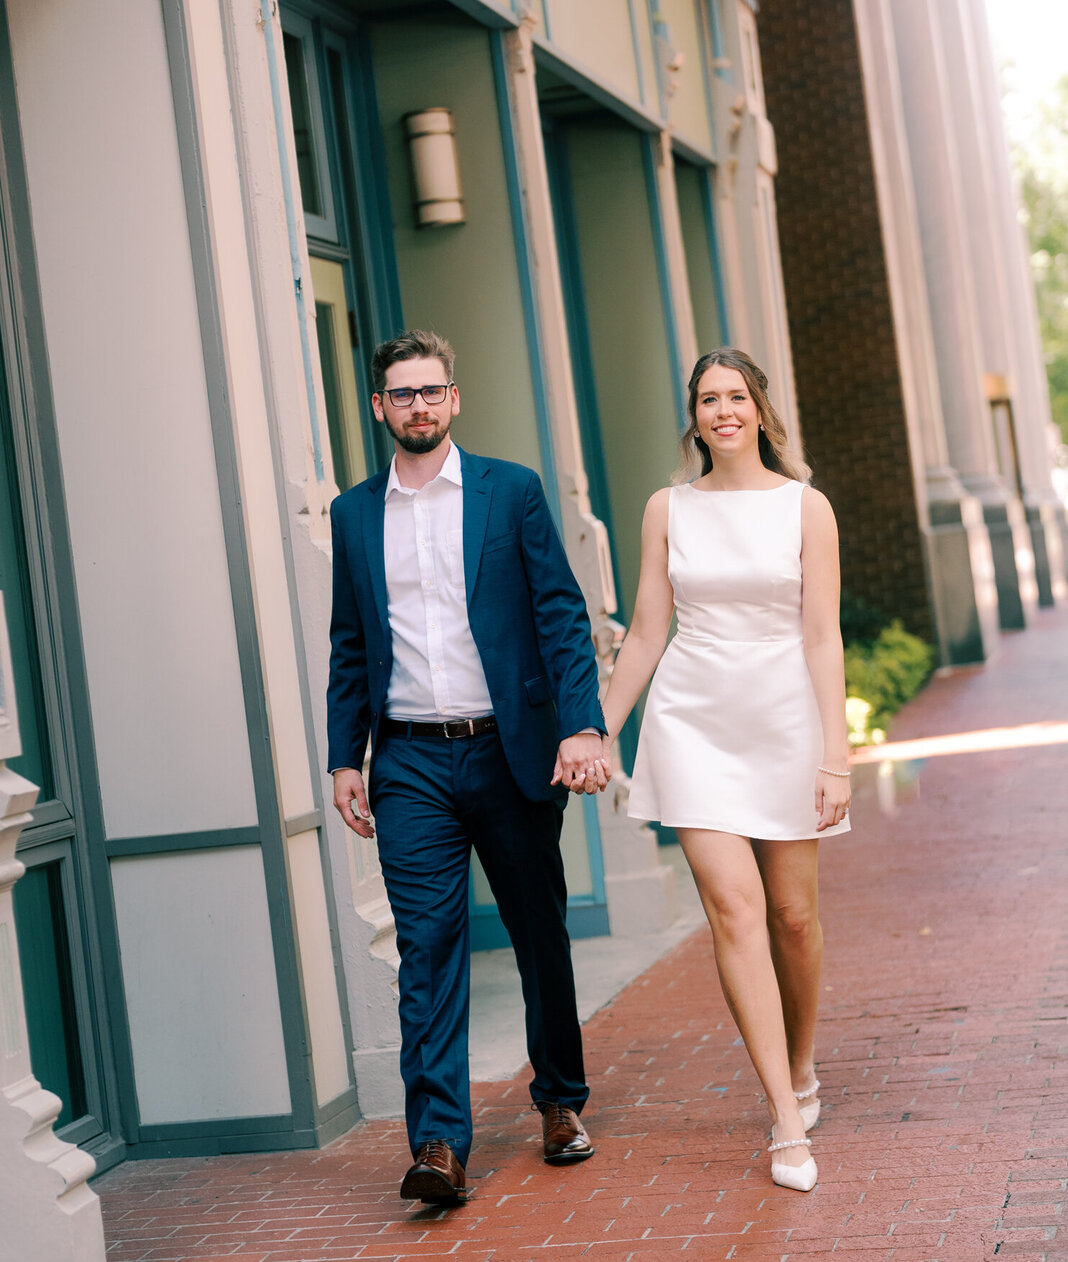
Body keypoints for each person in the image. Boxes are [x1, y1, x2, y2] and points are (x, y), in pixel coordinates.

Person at [327, 330, 611, 1206]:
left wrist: (582, 727)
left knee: (536, 932)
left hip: (510, 748)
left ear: (455, 399)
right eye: (401, 393)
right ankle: (440, 1144)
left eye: (432, 391)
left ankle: (561, 1100)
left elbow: (560, 615)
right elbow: (349, 642)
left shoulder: (511, 492)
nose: (418, 405)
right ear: (379, 408)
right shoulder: (352, 514)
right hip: (408, 758)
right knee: (429, 946)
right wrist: (345, 756)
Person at [599, 348, 851, 1194]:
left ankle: (803, 1058)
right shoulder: (667, 508)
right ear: (694, 416)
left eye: (735, 396)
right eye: (708, 399)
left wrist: (837, 755)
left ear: (759, 408)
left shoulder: (806, 509)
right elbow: (644, 632)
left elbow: (822, 637)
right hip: (693, 721)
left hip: (785, 719)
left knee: (791, 915)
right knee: (735, 910)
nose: (722, 411)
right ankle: (784, 1116)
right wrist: (598, 731)